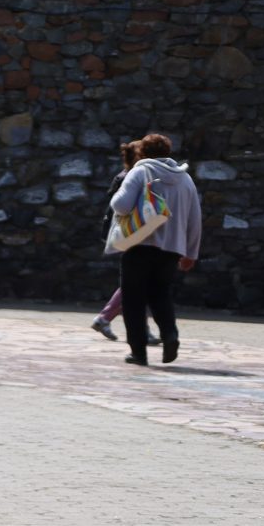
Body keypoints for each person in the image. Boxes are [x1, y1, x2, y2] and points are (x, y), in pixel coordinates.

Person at [108, 133, 203, 366]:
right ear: (168, 151)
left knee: (133, 299)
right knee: (161, 294)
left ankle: (138, 353)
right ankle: (170, 335)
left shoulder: (140, 172)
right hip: (172, 249)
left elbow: (121, 205)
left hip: (139, 244)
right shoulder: (185, 179)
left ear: (141, 152)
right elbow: (195, 219)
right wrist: (191, 253)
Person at [89, 140, 141, 341]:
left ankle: (110, 319)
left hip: (128, 234)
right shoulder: (132, 178)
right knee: (137, 281)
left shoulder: (126, 176)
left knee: (139, 282)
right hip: (134, 234)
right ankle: (106, 318)